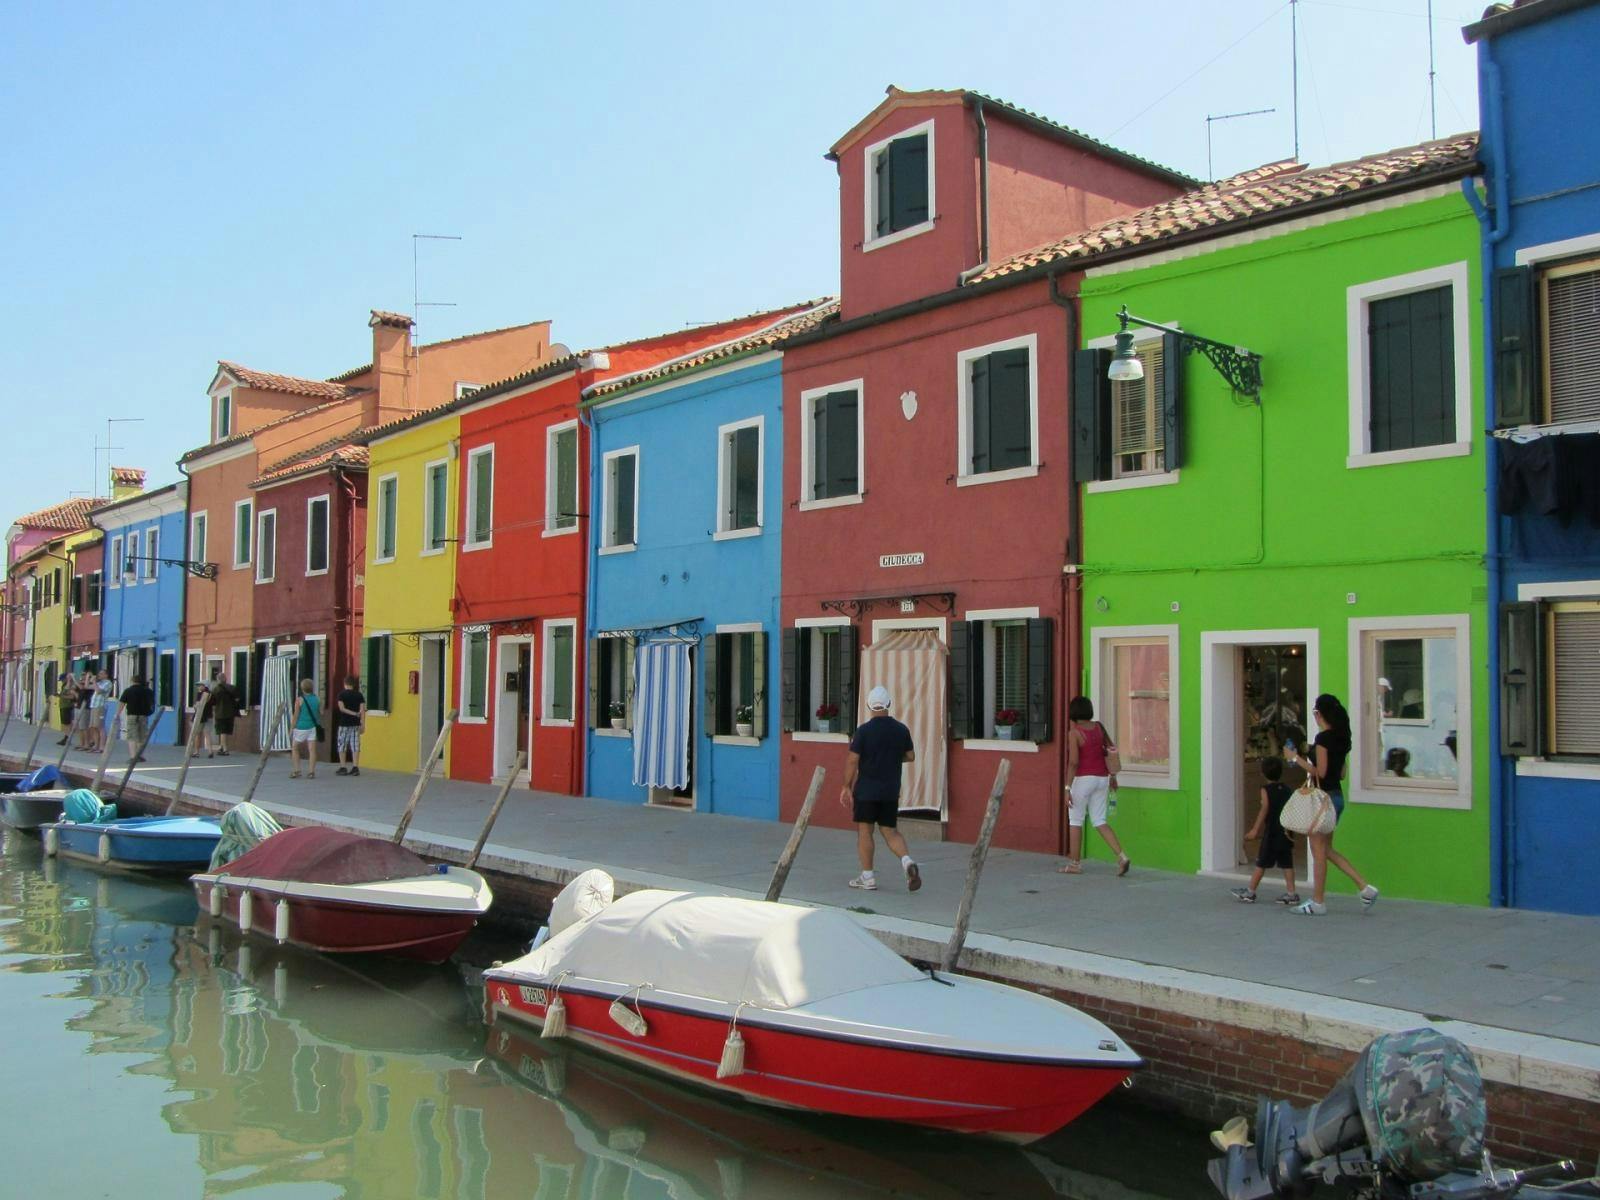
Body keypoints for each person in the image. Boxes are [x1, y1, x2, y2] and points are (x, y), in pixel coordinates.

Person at [1284, 693, 1380, 916]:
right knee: (1326, 850)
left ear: (1319, 714)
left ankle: (1318, 902)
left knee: (1318, 852)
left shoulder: (1324, 739)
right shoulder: (1342, 739)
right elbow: (1342, 773)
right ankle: (1365, 888)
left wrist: (1294, 758)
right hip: (1336, 797)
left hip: (1322, 799)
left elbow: (1321, 773)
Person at [839, 685, 921, 892]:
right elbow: (911, 756)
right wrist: (893, 758)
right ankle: (907, 861)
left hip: (866, 790)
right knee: (891, 832)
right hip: (890, 790)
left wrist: (846, 786)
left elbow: (852, 761)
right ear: (889, 704)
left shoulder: (863, 731)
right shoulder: (901, 729)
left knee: (865, 831)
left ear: (869, 705)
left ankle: (868, 877)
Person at [1062, 696, 1131, 876]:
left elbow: (1073, 762)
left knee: (1075, 820)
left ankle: (1075, 864)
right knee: (1100, 820)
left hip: (1083, 780)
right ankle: (1122, 857)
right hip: (1102, 778)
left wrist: (1067, 788)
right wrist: (1113, 776)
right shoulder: (1099, 727)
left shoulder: (1074, 733)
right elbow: (1111, 750)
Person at [1231, 756, 1299, 905]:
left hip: (1272, 832)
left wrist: (1255, 829)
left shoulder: (1266, 790)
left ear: (1263, 773)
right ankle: (1291, 893)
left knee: (1261, 862)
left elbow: (1264, 809)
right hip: (1286, 831)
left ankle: (1250, 891)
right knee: (1287, 863)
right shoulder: (1287, 789)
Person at [289, 677, 322, 779]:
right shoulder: (317, 699)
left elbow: (296, 715)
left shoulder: (300, 700)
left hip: (301, 727)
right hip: (312, 726)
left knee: (295, 747)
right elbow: (321, 713)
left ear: (302, 688)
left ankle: (297, 770)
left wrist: (291, 728)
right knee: (312, 749)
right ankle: (311, 772)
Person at [333, 674, 366, 776]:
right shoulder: (359, 695)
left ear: (345, 684)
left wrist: (352, 713)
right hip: (356, 724)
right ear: (354, 684)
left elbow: (341, 708)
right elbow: (362, 710)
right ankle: (355, 767)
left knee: (342, 745)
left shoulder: (341, 695)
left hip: (344, 723)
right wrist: (362, 723)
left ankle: (343, 767)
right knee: (355, 745)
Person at [119, 673, 156, 764]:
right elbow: (152, 703)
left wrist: (117, 714)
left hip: (132, 715)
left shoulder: (128, 691)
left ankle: (133, 756)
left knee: (132, 736)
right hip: (143, 716)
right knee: (142, 736)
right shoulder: (148, 691)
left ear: (132, 681)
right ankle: (141, 755)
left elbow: (122, 703)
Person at [209, 673, 239, 756]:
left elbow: (212, 702)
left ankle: (225, 749)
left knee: (222, 731)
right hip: (230, 713)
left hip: (220, 712)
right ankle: (221, 747)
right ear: (225, 679)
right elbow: (237, 699)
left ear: (218, 680)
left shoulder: (216, 689)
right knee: (226, 731)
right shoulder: (232, 688)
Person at [87, 669, 113, 753]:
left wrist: (94, 681)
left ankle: (102, 747)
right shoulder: (99, 683)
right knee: (93, 726)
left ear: (106, 675)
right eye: (99, 674)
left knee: (100, 727)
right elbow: (87, 686)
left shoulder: (108, 683)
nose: (99, 675)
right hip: (94, 706)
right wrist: (88, 677)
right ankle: (96, 745)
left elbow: (98, 691)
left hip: (100, 706)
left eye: (101, 674)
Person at [192, 680, 217, 757]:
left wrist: (195, 706)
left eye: (200, 685)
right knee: (207, 734)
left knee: (197, 734)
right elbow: (214, 705)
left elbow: (197, 705)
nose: (198, 687)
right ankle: (210, 751)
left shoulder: (200, 694)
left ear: (205, 686)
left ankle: (196, 752)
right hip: (209, 716)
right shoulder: (211, 695)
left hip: (200, 716)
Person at [55, 672, 79, 745]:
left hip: (67, 706)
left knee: (67, 723)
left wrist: (61, 696)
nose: (62, 681)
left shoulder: (71, 685)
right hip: (63, 705)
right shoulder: (64, 685)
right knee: (64, 723)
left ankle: (67, 738)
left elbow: (72, 696)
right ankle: (66, 737)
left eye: (63, 680)